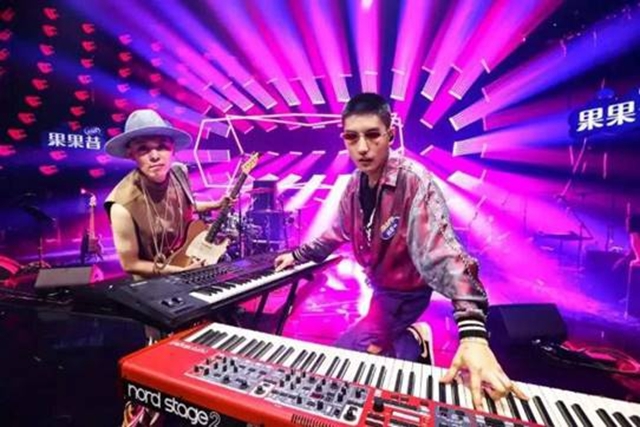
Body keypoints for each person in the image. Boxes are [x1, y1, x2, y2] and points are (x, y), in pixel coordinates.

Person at [274, 93, 526, 409]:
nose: (362, 148)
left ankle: (412, 341)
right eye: (352, 138)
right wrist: (297, 256)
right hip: (382, 291)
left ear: (390, 135)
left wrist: (473, 335)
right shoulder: (354, 185)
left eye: (373, 135)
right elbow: (336, 232)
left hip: (406, 295)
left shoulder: (413, 182)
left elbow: (444, 256)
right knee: (360, 358)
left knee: (347, 361)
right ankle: (409, 338)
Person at [104, 109, 232, 279]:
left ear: (173, 150)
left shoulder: (179, 173)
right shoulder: (121, 205)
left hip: (185, 263)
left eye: (162, 147)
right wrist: (181, 273)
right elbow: (130, 264)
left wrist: (215, 205)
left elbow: (183, 206)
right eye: (143, 149)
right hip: (152, 283)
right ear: (131, 155)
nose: (154, 156)